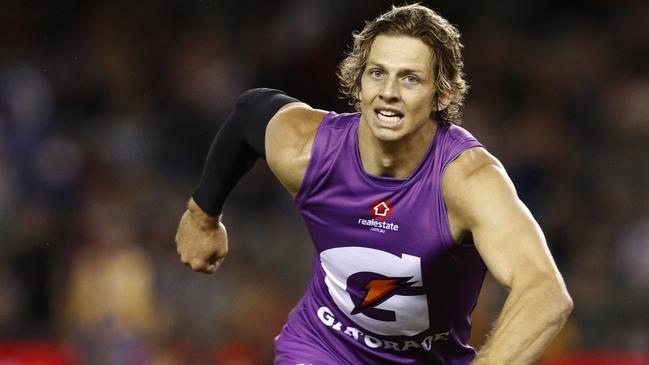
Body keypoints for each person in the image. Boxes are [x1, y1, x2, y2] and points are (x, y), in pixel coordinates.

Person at [175, 4, 573, 364]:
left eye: (410, 79)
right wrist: (202, 214)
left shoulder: (466, 181)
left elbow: (545, 294)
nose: (388, 93)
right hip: (321, 349)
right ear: (358, 83)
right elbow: (250, 113)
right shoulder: (309, 152)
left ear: (443, 94)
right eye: (377, 73)